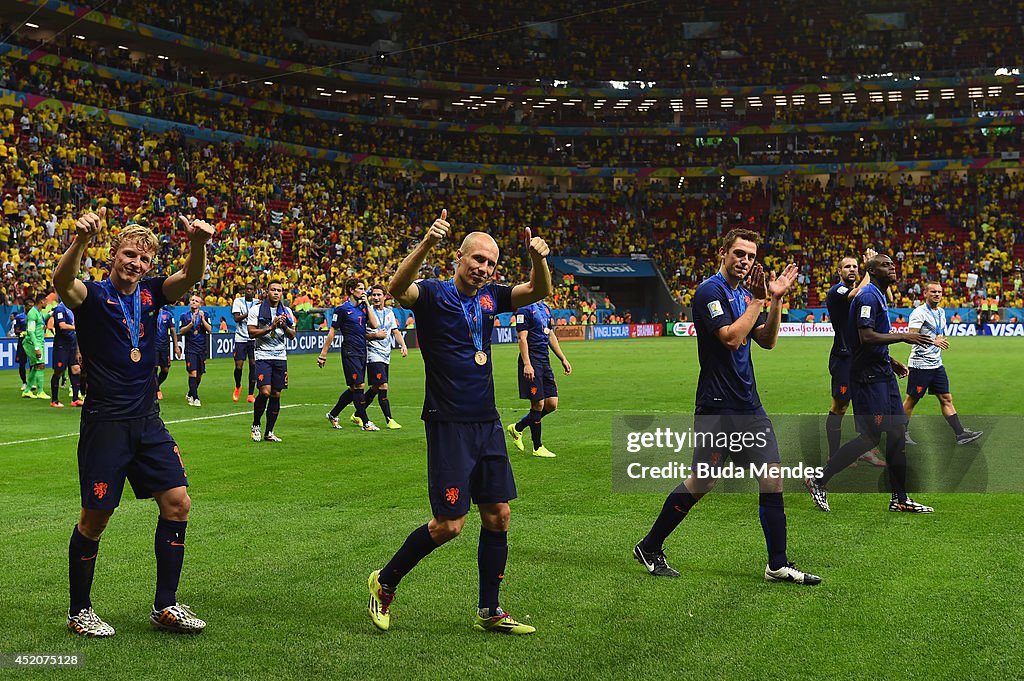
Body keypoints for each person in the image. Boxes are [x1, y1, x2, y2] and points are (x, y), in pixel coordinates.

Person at [366, 210, 551, 634]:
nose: (484, 269)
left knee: (499, 515)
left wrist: (539, 258)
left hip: (486, 421)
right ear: (458, 258)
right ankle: (384, 582)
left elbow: (537, 290)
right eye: (477, 260)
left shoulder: (491, 298)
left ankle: (490, 610)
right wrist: (427, 241)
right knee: (449, 525)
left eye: (491, 263)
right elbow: (396, 289)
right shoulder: (431, 294)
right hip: (448, 423)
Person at [53, 209, 213, 637]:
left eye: (143, 260)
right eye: (128, 254)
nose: (135, 264)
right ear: (113, 255)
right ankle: (79, 612)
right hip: (106, 425)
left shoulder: (152, 295)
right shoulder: (91, 296)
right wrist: (79, 241)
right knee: (95, 520)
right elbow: (62, 282)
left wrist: (197, 243)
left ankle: (166, 606)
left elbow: (190, 277)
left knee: (178, 503)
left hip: (147, 422)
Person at [632, 229, 820, 585]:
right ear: (723, 253)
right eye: (738, 253)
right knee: (702, 480)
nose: (745, 261)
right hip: (717, 406)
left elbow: (766, 340)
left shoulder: (743, 294)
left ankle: (777, 564)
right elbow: (732, 338)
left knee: (772, 478)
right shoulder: (710, 291)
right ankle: (650, 545)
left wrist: (775, 300)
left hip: (748, 405)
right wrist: (758, 302)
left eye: (750, 256)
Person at [806, 254, 935, 514]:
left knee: (897, 432)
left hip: (883, 373)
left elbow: (871, 339)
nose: (893, 268)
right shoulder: (866, 296)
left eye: (892, 264)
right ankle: (818, 480)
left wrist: (891, 360)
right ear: (873, 271)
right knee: (870, 437)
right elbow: (865, 337)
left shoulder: (877, 295)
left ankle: (900, 498)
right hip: (867, 378)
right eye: (886, 265)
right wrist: (903, 336)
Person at [823, 252, 885, 467]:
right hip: (843, 358)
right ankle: (834, 454)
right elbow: (858, 293)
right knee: (840, 407)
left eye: (855, 266)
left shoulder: (866, 294)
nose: (851, 269)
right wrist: (871, 268)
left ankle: (865, 450)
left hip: (861, 359)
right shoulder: (837, 291)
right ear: (839, 271)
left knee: (864, 406)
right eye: (847, 266)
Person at [903, 283, 983, 446]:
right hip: (920, 365)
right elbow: (911, 336)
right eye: (933, 291)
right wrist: (934, 342)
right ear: (925, 293)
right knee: (912, 400)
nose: (937, 294)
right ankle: (900, 433)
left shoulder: (940, 312)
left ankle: (960, 434)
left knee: (946, 398)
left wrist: (936, 343)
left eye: (939, 292)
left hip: (936, 364)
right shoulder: (918, 313)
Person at [506, 298, 572, 458]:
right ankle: (537, 446)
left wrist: (562, 358)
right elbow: (522, 338)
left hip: (544, 359)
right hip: (532, 359)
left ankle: (517, 428)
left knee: (551, 404)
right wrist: (527, 364)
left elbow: (550, 335)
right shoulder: (524, 309)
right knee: (538, 404)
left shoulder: (545, 308)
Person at [318, 279, 381, 432]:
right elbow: (332, 330)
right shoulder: (342, 309)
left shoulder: (363, 308)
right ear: (352, 290)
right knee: (359, 386)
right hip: (350, 351)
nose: (363, 291)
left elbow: (375, 325)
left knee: (354, 388)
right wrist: (323, 353)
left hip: (362, 351)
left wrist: (367, 304)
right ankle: (366, 422)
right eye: (360, 288)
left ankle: (333, 414)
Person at [247, 280, 296, 443]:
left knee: (276, 393)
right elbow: (251, 333)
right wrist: (271, 327)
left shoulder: (287, 311)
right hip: (263, 356)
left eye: (279, 290)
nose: (276, 292)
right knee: (265, 392)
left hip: (280, 357)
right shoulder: (256, 310)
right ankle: (256, 425)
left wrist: (284, 326)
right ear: (267, 291)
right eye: (273, 289)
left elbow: (292, 335)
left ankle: (269, 432)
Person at [361, 283, 408, 429]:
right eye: (373, 295)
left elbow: (395, 331)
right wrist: (375, 335)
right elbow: (361, 335)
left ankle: (357, 414)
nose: (375, 297)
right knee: (383, 385)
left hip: (385, 354)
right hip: (373, 354)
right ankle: (389, 419)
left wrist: (403, 345)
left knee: (375, 387)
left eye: (378, 295)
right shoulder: (367, 312)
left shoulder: (389, 312)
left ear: (385, 296)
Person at [50, 299, 84, 407]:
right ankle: (54, 400)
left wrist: (78, 350)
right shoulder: (60, 308)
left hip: (72, 344)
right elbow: (62, 325)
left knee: (76, 369)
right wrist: (77, 327)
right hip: (62, 345)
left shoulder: (72, 308)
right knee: (59, 371)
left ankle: (75, 399)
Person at [178, 295, 211, 406]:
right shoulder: (184, 316)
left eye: (196, 301)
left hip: (202, 348)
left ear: (200, 304)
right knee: (193, 372)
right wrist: (191, 324)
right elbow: (181, 331)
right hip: (190, 349)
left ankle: (190, 393)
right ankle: (195, 398)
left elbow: (210, 329)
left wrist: (202, 320)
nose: (193, 302)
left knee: (199, 375)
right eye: (192, 300)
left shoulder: (205, 315)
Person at [231, 282, 258, 403]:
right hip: (240, 338)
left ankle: (251, 394)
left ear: (254, 291)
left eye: (251, 289)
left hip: (253, 338)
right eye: (247, 289)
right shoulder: (238, 301)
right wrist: (250, 312)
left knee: (253, 365)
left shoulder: (258, 303)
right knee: (238, 366)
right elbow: (236, 318)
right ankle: (238, 386)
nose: (248, 291)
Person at [22, 295, 51, 399]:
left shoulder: (38, 313)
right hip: (33, 343)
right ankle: (40, 391)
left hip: (38, 342)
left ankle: (27, 390)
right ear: (41, 302)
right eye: (46, 302)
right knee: (40, 365)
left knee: (36, 366)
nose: (47, 304)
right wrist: (36, 347)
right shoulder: (32, 313)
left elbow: (42, 319)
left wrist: (51, 313)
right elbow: (30, 331)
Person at [154, 304, 180, 401]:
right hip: (153, 346)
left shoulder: (168, 315)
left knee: (165, 370)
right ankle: (156, 390)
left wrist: (176, 346)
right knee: (154, 369)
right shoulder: (150, 313)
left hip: (165, 347)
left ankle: (156, 385)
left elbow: (173, 331)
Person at [10, 298, 29, 392]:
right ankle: (24, 382)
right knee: (22, 364)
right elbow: (16, 331)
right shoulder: (19, 317)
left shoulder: (36, 315)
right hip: (22, 343)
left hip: (33, 343)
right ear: (25, 306)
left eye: (32, 305)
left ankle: (32, 382)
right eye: (29, 305)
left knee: (34, 364)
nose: (30, 307)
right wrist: (26, 332)